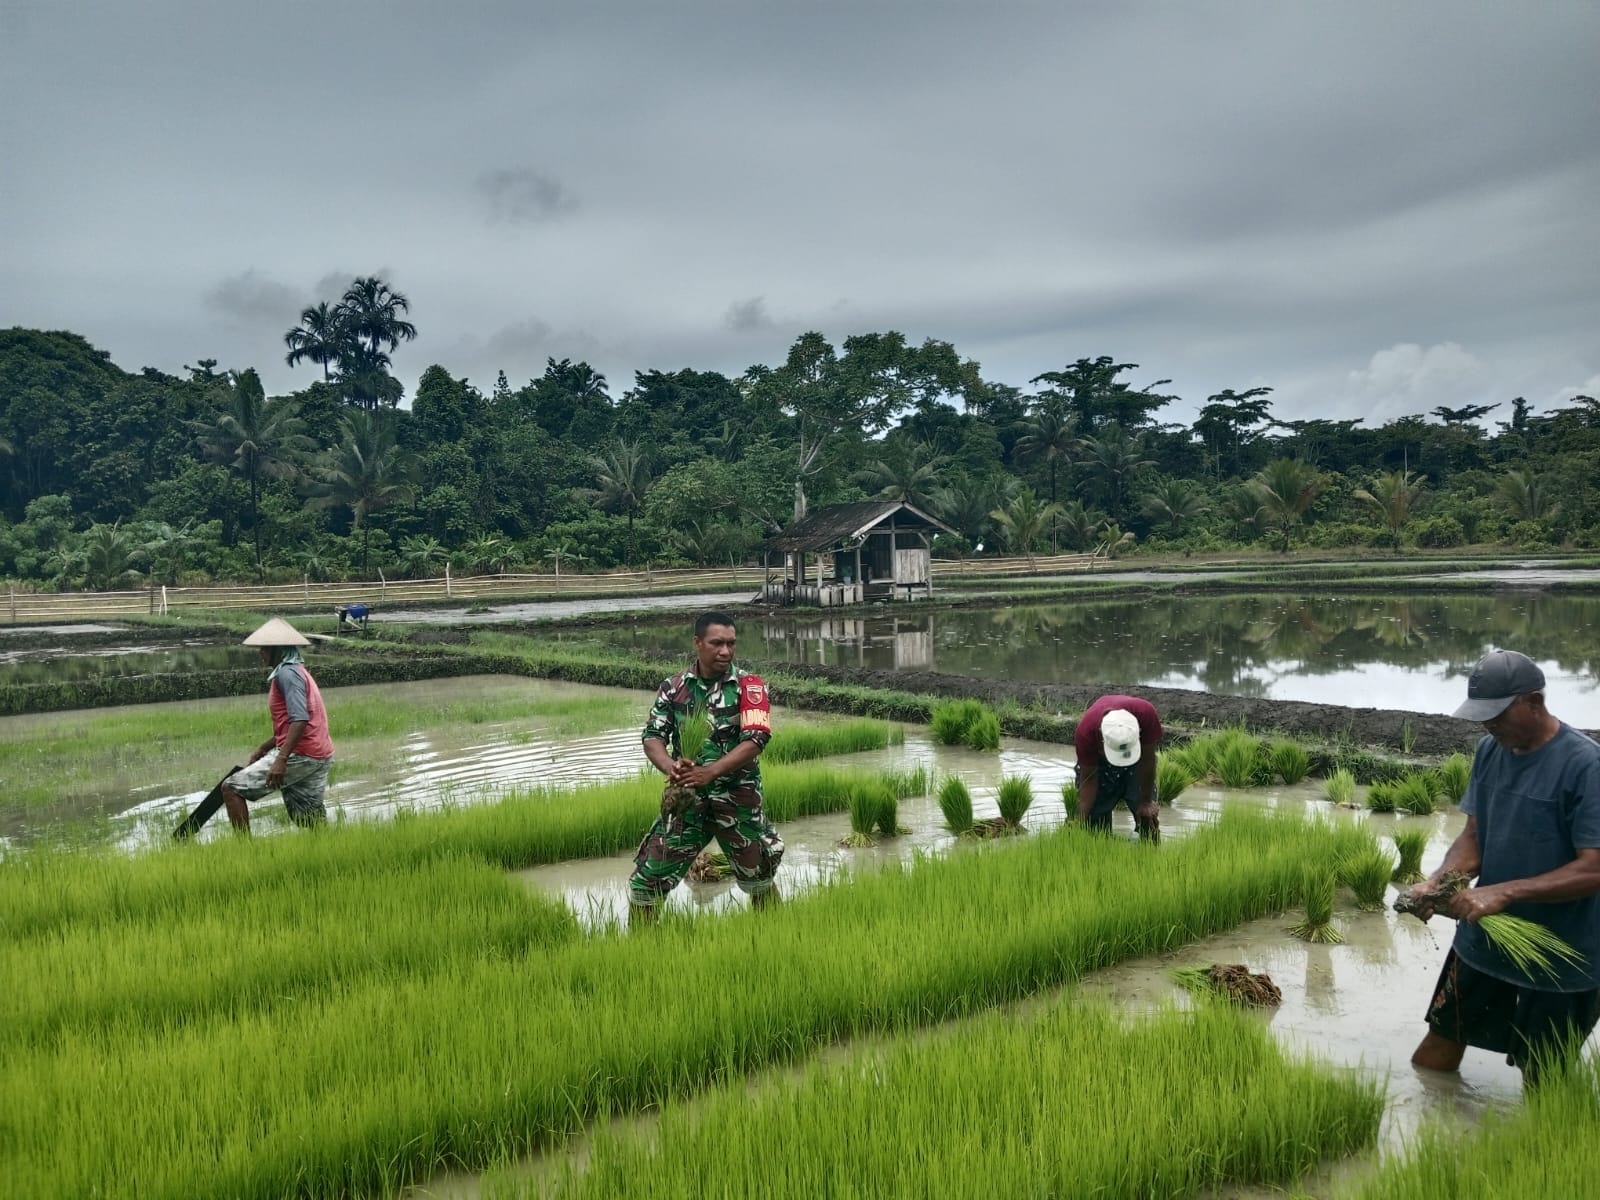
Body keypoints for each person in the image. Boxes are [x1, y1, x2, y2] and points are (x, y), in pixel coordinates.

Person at [1404, 649, 1600, 1084]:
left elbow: (1594, 868)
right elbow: (1474, 837)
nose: (1487, 724)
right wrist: (1439, 882)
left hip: (1560, 955)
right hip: (1485, 940)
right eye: (1481, 715)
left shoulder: (1586, 766)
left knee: (1544, 1076)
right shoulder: (1490, 752)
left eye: (1497, 713)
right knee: (1438, 1045)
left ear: (1533, 701)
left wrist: (1503, 891)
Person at [628, 611, 783, 918]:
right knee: (647, 883)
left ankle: (776, 939)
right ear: (697, 643)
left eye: (731, 644)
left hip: (737, 802)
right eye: (717, 643)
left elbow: (756, 739)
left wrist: (708, 772)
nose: (725, 651)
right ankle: (641, 952)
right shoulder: (673, 688)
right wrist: (670, 766)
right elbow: (652, 736)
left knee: (759, 879)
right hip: (687, 805)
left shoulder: (749, 687)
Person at [220, 617, 336, 830]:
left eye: (264, 648)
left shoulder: (287, 674)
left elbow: (300, 719)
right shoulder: (298, 670)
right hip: (319, 753)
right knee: (308, 818)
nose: (260, 653)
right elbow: (295, 721)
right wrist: (265, 747)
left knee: (231, 788)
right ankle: (329, 852)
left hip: (301, 754)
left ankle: (242, 852)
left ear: (278, 650)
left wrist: (281, 759)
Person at [1073, 694, 1161, 840]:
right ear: (1101, 739)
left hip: (1137, 763)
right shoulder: (1086, 732)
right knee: (1094, 825)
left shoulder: (1145, 714)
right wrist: (1078, 819)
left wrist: (1146, 801)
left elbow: (1148, 760)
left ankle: (1151, 854)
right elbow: (1089, 780)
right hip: (1101, 766)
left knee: (1147, 819)